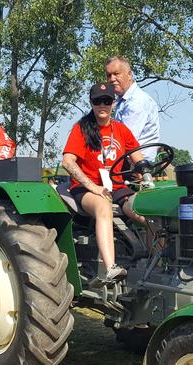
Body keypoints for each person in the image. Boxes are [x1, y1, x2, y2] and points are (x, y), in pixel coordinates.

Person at [62, 82, 150, 282]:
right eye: (97, 101)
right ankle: (111, 267)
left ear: (113, 102)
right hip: (86, 189)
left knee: (149, 210)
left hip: (117, 187)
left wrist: (144, 175)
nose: (102, 105)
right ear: (91, 103)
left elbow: (138, 158)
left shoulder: (121, 130)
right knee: (103, 206)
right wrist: (93, 187)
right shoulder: (81, 129)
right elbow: (67, 161)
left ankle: (159, 263)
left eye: (107, 101)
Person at [105, 56, 160, 162]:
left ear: (129, 74)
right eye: (109, 75)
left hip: (137, 166)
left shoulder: (136, 102)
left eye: (116, 74)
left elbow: (125, 141)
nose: (112, 79)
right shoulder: (123, 101)